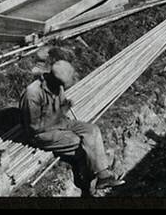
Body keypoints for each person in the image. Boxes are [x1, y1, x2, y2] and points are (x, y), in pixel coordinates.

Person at [20, 60, 124, 196]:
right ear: (52, 79)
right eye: (60, 85)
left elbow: (60, 106)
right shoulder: (32, 93)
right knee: (78, 142)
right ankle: (87, 187)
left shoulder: (57, 85)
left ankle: (103, 176)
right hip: (42, 134)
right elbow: (34, 127)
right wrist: (60, 112)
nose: (62, 88)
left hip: (60, 122)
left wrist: (63, 107)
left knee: (92, 130)